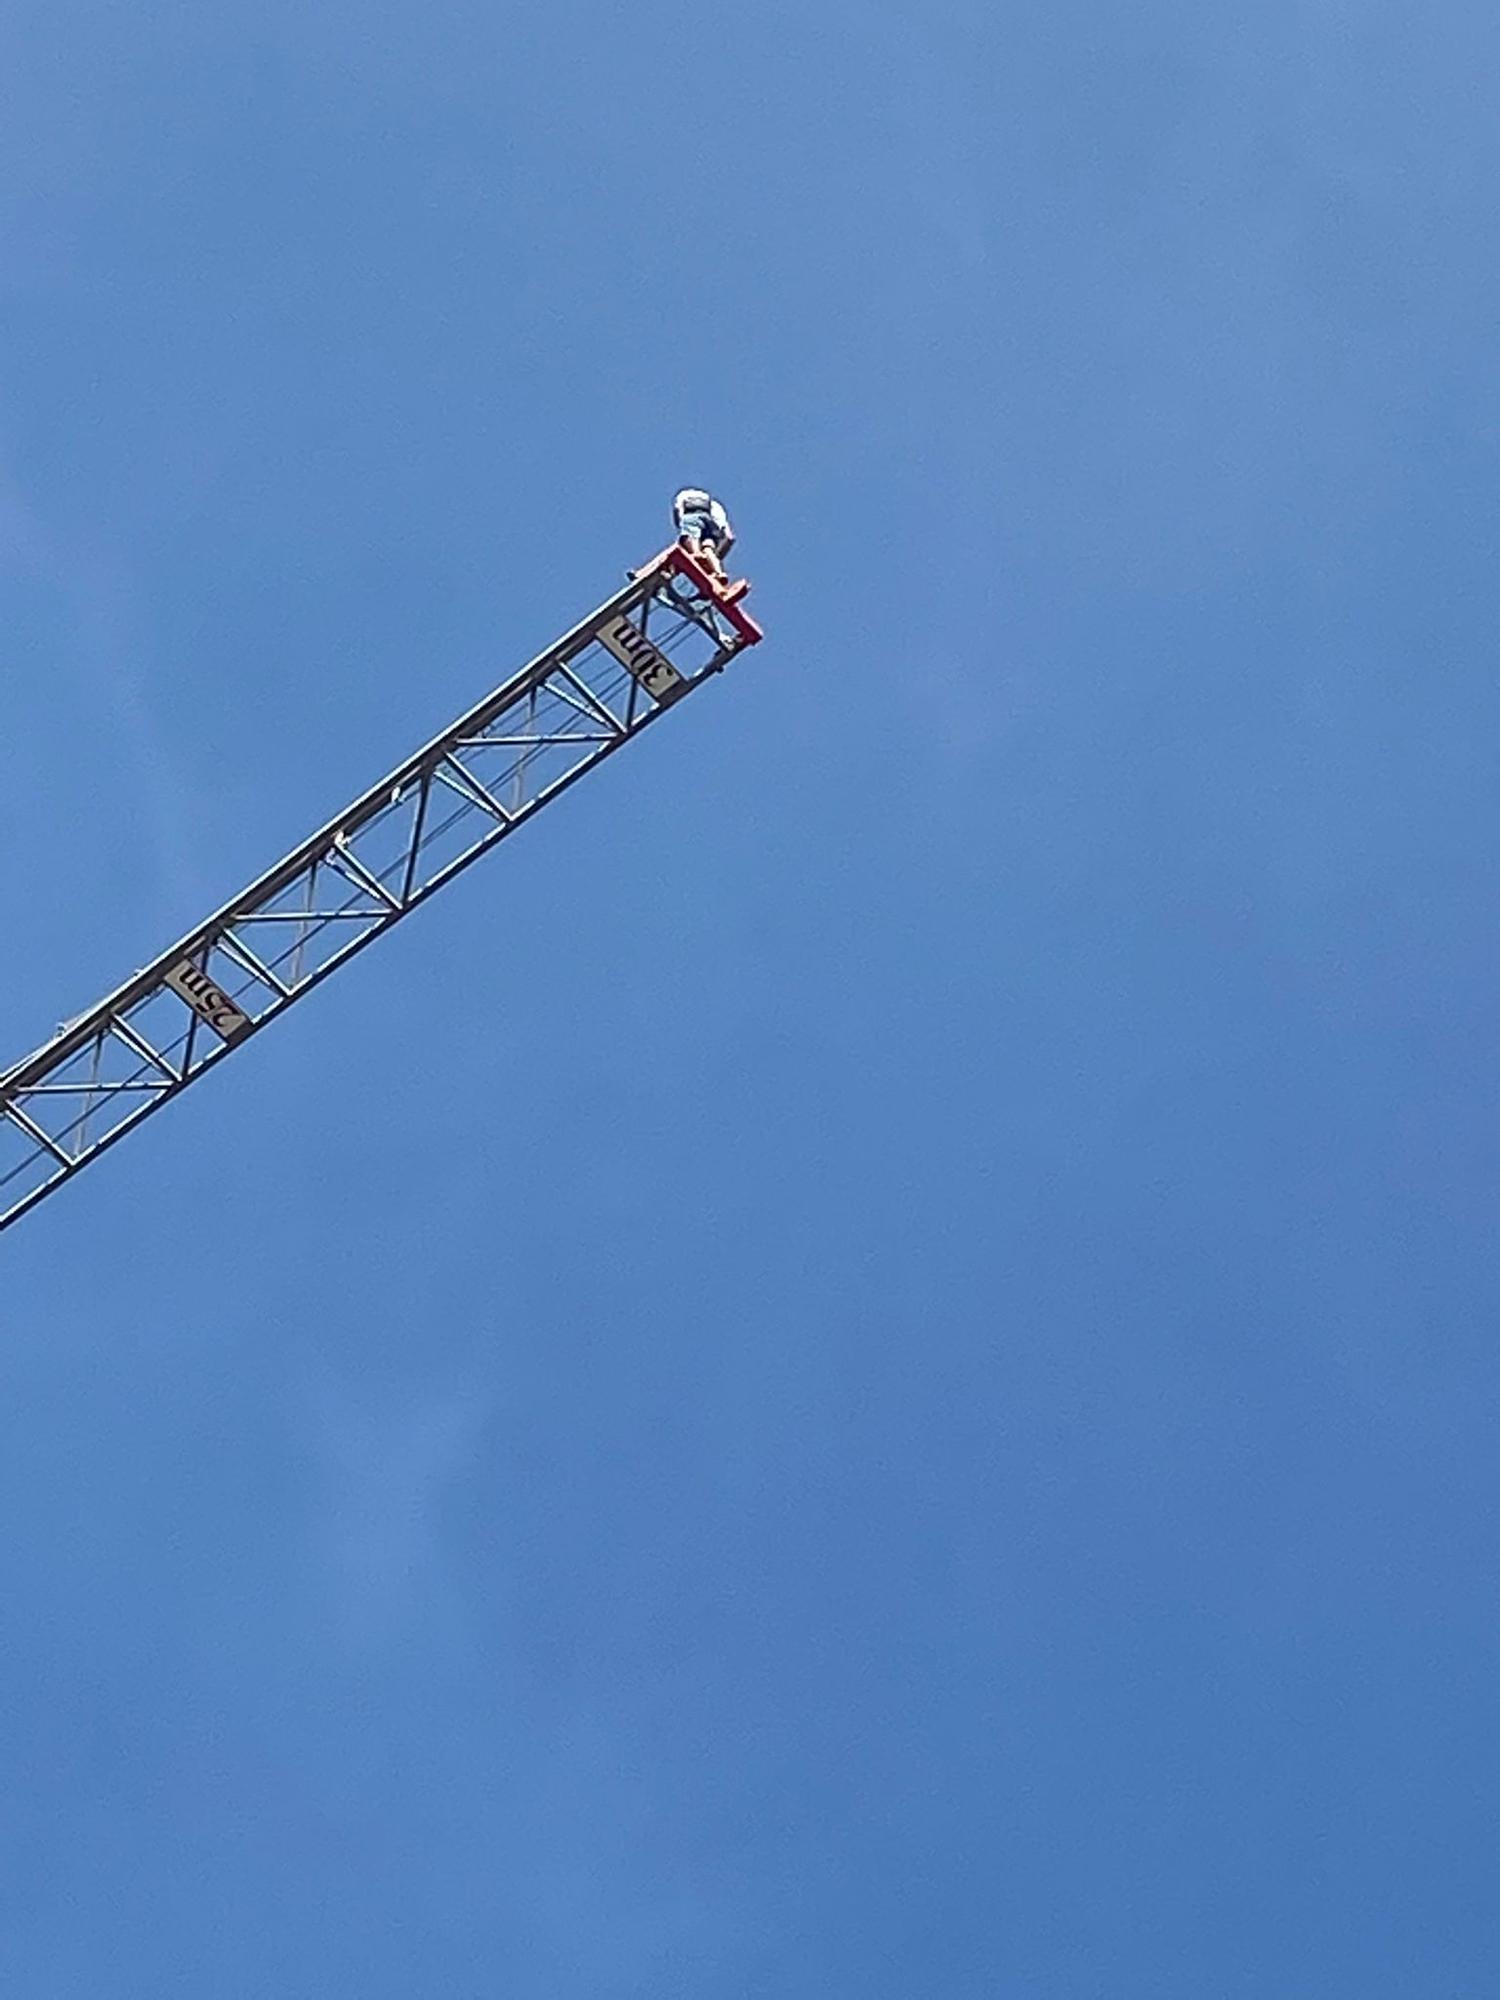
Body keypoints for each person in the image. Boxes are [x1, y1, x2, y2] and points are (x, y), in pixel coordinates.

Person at [672, 488, 735, 582]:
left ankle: (697, 553)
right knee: (708, 549)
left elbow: (678, 508)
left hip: (692, 516)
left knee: (692, 536)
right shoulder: (712, 503)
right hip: (710, 524)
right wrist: (726, 533)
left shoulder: (683, 495)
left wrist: (682, 521)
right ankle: (719, 572)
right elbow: (722, 523)